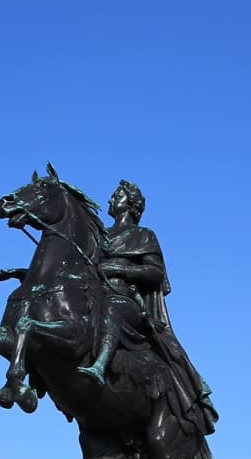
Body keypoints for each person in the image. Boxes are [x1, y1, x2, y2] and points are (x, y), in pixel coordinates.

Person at [78, 181, 218, 436]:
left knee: (113, 307)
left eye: (116, 196)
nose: (110, 200)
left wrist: (118, 268)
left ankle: (99, 366)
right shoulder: (99, 235)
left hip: (127, 303)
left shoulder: (144, 235)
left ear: (131, 204)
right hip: (96, 297)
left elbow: (155, 273)